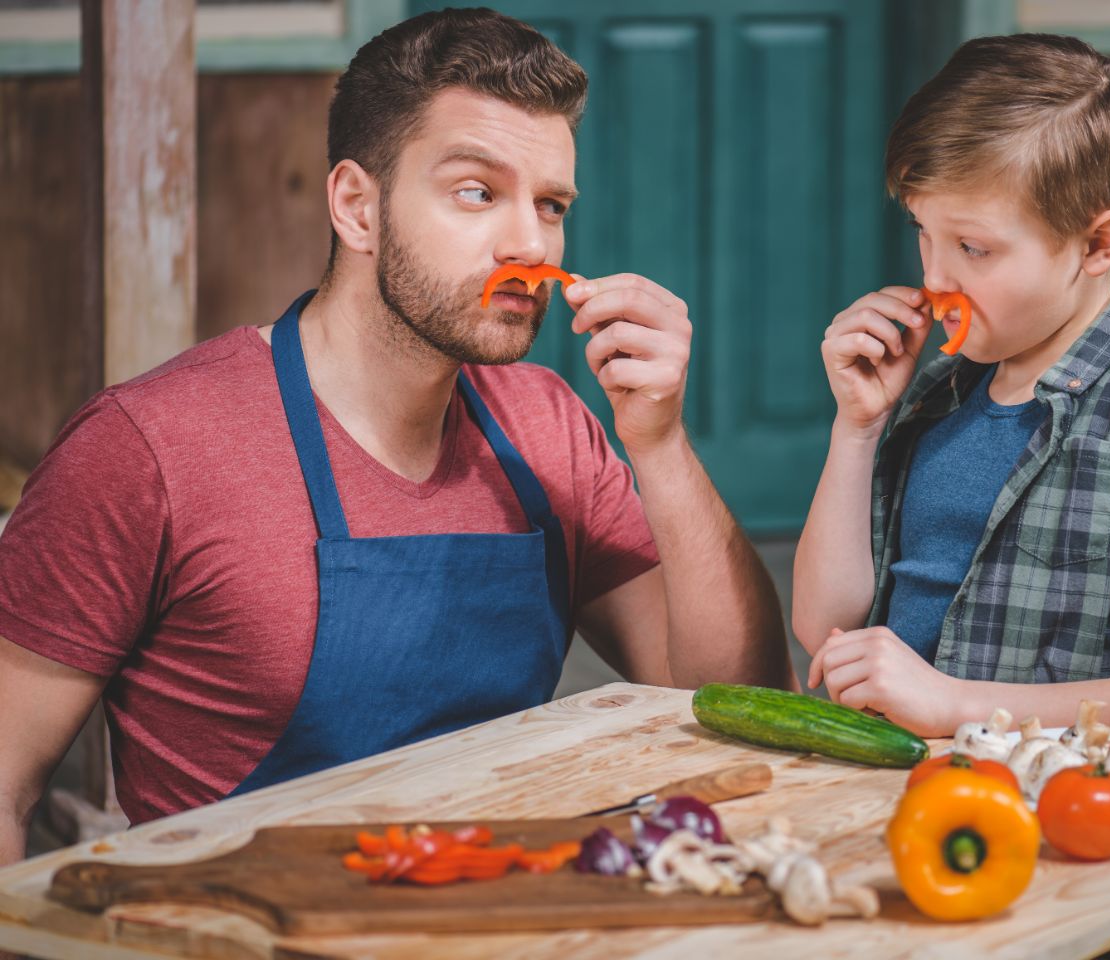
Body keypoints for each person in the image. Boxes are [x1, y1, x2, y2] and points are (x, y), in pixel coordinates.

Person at [0, 7, 790, 861]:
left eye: (551, 203)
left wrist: (661, 442)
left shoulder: (548, 425)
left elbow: (732, 700)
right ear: (357, 207)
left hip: (502, 910)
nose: (530, 242)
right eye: (477, 192)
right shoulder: (144, 448)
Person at [793, 33, 1110, 741]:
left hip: (1055, 817)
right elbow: (826, 633)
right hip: (888, 792)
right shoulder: (935, 397)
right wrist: (856, 430)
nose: (936, 279)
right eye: (924, 232)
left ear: (1097, 244)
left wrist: (954, 705)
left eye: (974, 248)